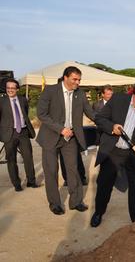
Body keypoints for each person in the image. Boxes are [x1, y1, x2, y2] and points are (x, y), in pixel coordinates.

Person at [90, 77, 135, 227]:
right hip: (113, 151)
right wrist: (112, 126)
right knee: (104, 184)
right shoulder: (118, 100)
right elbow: (100, 118)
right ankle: (99, 212)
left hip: (134, 154)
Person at [36, 66, 94, 215]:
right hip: (50, 137)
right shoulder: (50, 90)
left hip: (70, 139)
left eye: (79, 80)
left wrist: (109, 122)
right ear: (65, 77)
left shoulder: (79, 94)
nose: (78, 82)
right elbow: (41, 114)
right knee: (51, 171)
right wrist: (60, 129)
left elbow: (91, 112)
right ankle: (55, 203)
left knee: (73, 170)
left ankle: (76, 201)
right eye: (75, 79)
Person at [0, 78, 38, 192]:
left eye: (13, 88)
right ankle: (16, 183)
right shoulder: (1, 101)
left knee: (28, 157)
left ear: (17, 89)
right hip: (9, 134)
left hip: (23, 132)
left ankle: (31, 181)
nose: (10, 90)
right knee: (11, 160)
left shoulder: (23, 100)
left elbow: (25, 114)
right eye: (8, 88)